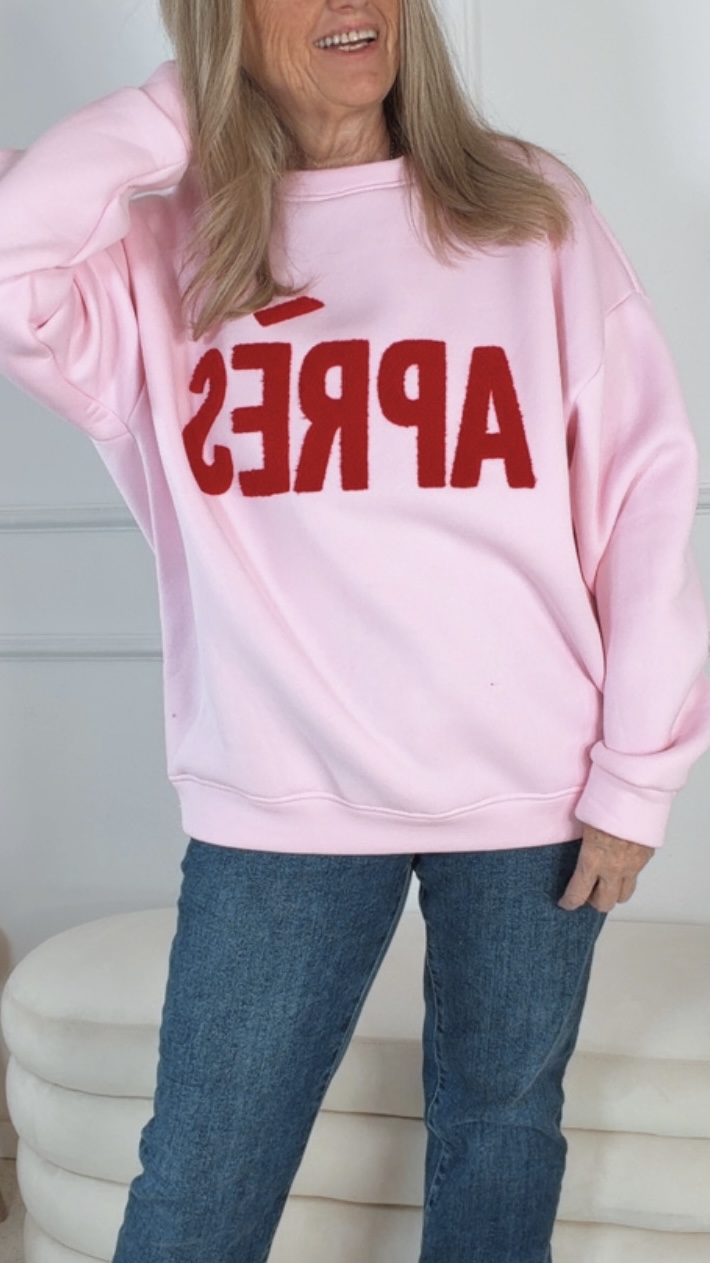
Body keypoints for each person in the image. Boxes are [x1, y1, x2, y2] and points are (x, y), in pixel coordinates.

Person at [1, 1, 709, 1260]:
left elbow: (643, 490)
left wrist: (636, 773)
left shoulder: (525, 209)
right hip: (280, 795)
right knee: (202, 1181)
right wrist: (183, 106)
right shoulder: (159, 247)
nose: (349, 2)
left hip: (535, 791)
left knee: (500, 1136)